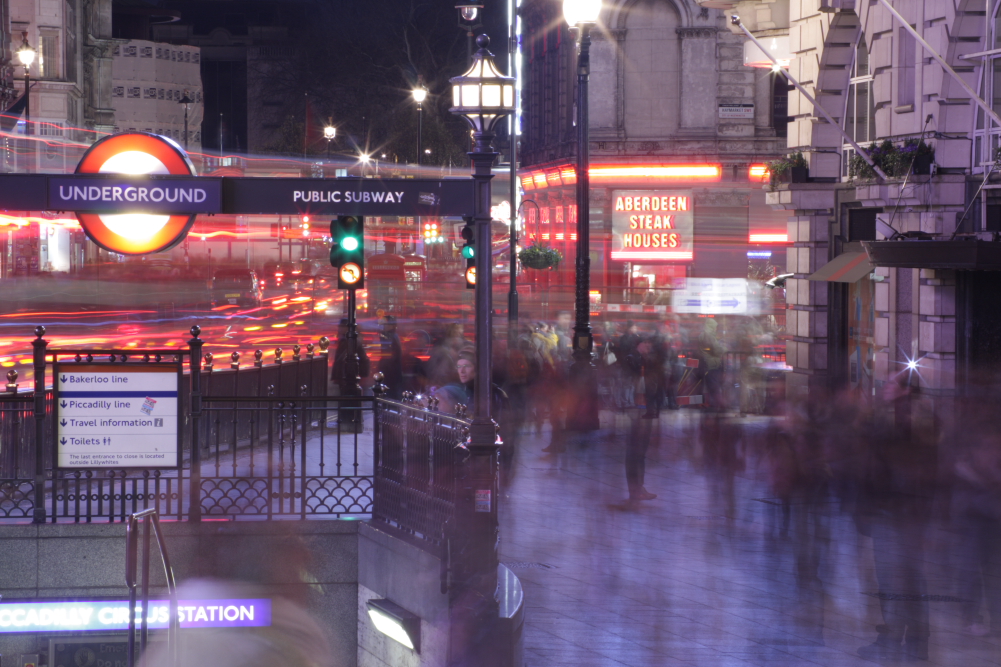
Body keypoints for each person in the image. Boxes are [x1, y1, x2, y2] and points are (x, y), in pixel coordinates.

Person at [331, 318, 370, 431]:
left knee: (347, 400)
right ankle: (346, 421)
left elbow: (360, 359)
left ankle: (348, 422)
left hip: (348, 376)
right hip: (345, 376)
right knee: (345, 400)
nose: (339, 329)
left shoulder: (350, 340)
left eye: (342, 326)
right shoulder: (345, 339)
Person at [698, 318, 726, 410]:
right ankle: (715, 404)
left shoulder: (704, 335)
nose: (716, 329)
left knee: (709, 385)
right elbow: (716, 350)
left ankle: (710, 403)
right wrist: (724, 348)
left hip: (707, 363)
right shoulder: (708, 336)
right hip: (711, 364)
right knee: (714, 385)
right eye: (715, 327)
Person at [376, 316, 403, 399]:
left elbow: (391, 354)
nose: (384, 326)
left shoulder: (389, 336)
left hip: (390, 370)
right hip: (392, 370)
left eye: (386, 324)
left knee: (389, 394)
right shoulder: (393, 336)